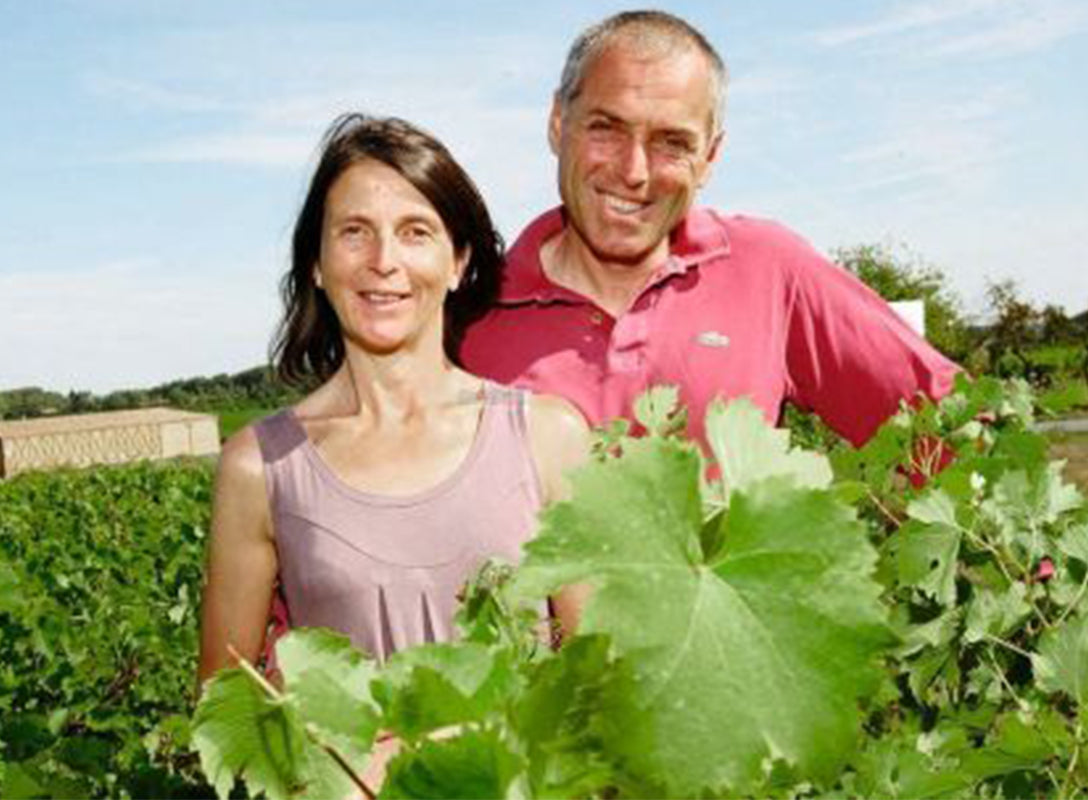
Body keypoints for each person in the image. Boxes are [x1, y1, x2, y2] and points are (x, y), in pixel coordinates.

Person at [197, 114, 589, 683]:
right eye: (354, 231)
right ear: (316, 263)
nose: (384, 260)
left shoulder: (549, 438)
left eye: (415, 232)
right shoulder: (258, 467)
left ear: (458, 262)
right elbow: (222, 709)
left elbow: (597, 689)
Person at [461, 10, 959, 447]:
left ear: (710, 157)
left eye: (671, 142)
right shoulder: (466, 311)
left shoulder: (770, 271)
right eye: (606, 128)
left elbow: (955, 431)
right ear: (557, 122)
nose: (634, 171)